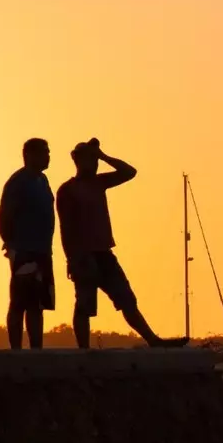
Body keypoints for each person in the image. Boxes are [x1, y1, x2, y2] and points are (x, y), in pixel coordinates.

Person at [55, 138, 186, 349]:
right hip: (83, 255)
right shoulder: (68, 190)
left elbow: (129, 172)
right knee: (84, 305)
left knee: (126, 299)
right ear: (78, 160)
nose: (95, 164)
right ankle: (83, 350)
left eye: (95, 160)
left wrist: (103, 156)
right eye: (91, 159)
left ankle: (153, 340)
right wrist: (72, 259)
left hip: (104, 254)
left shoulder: (99, 182)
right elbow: (66, 229)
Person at [0, 137, 56, 349]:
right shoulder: (18, 182)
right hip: (24, 250)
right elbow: (4, 215)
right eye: (44, 152)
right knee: (19, 302)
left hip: (42, 251)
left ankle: (36, 349)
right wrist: (10, 244)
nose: (48, 156)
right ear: (29, 155)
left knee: (37, 303)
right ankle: (16, 349)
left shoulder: (43, 180)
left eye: (48, 152)